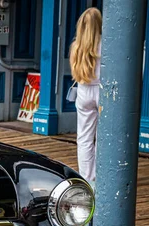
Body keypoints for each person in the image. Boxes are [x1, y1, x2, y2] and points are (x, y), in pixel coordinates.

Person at [70, 7, 102, 183]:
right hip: (101, 90)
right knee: (102, 137)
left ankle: (86, 177)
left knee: (84, 138)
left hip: (83, 90)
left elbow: (75, 73)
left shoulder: (76, 46)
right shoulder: (107, 44)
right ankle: (99, 175)